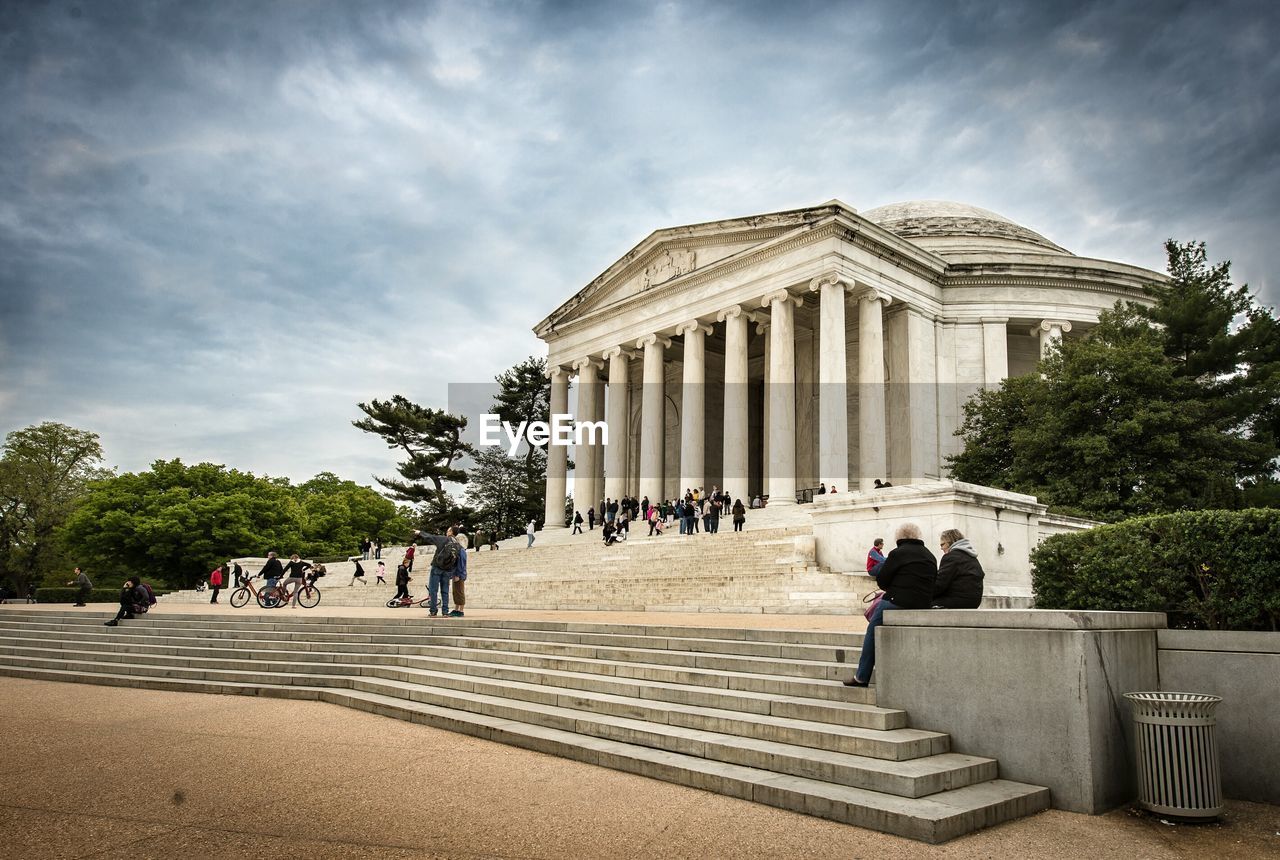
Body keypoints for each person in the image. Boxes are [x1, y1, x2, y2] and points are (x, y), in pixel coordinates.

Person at [846, 522, 936, 687]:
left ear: (899, 538)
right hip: (923, 603)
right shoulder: (930, 555)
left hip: (897, 602)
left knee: (872, 631)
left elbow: (883, 581)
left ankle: (861, 676)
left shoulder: (897, 554)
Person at [932, 529, 986, 609]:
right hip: (973, 602)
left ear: (951, 541)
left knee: (921, 604)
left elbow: (939, 585)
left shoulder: (951, 557)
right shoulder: (971, 557)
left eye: (942, 544)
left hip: (956, 601)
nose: (941, 548)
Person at [416, 527, 463, 616]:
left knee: (433, 590)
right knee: (445, 591)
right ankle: (445, 612)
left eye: (448, 530)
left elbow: (430, 537)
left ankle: (433, 611)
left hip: (437, 567)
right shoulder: (458, 544)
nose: (447, 531)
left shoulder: (444, 539)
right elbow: (457, 560)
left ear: (451, 532)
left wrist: (419, 532)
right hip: (448, 570)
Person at [448, 533, 469, 617]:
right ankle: (456, 608)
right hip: (456, 574)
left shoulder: (461, 550)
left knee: (459, 592)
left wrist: (457, 574)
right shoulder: (459, 550)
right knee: (455, 592)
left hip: (459, 575)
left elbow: (461, 564)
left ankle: (461, 610)